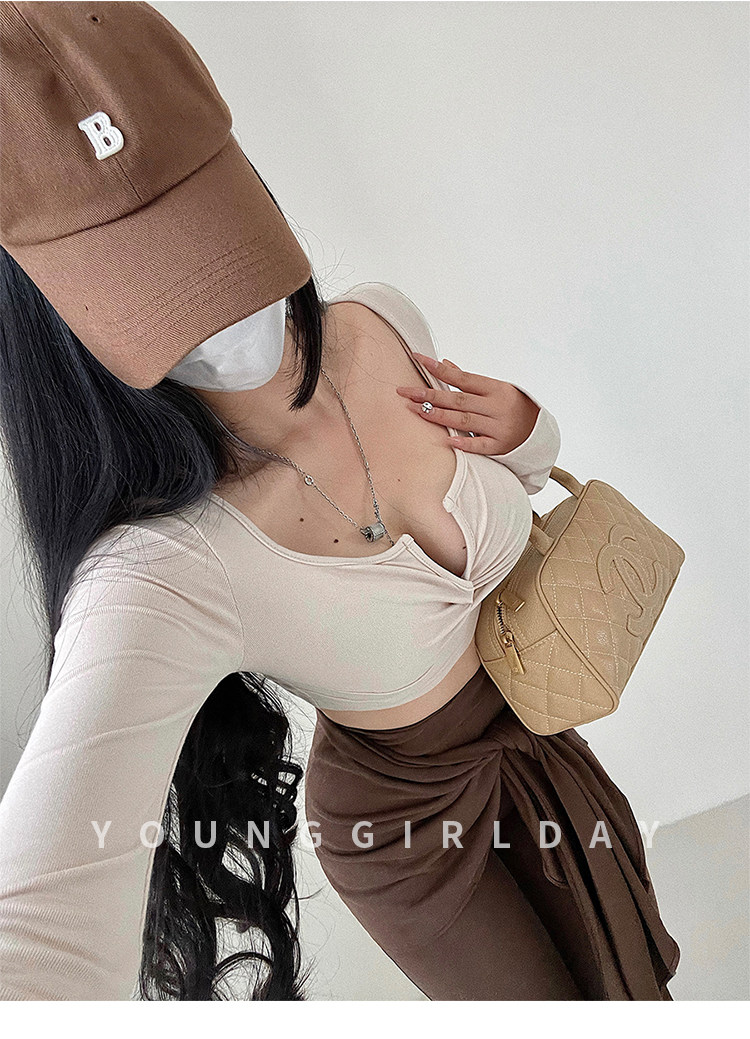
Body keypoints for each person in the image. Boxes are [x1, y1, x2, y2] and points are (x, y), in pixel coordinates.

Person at [0, 2, 680, 1000]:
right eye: (141, 266)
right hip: (404, 829)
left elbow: (531, 478)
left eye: (200, 215)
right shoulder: (164, 568)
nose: (222, 313)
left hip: (537, 724)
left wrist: (532, 433)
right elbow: (38, 915)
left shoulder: (380, 322)